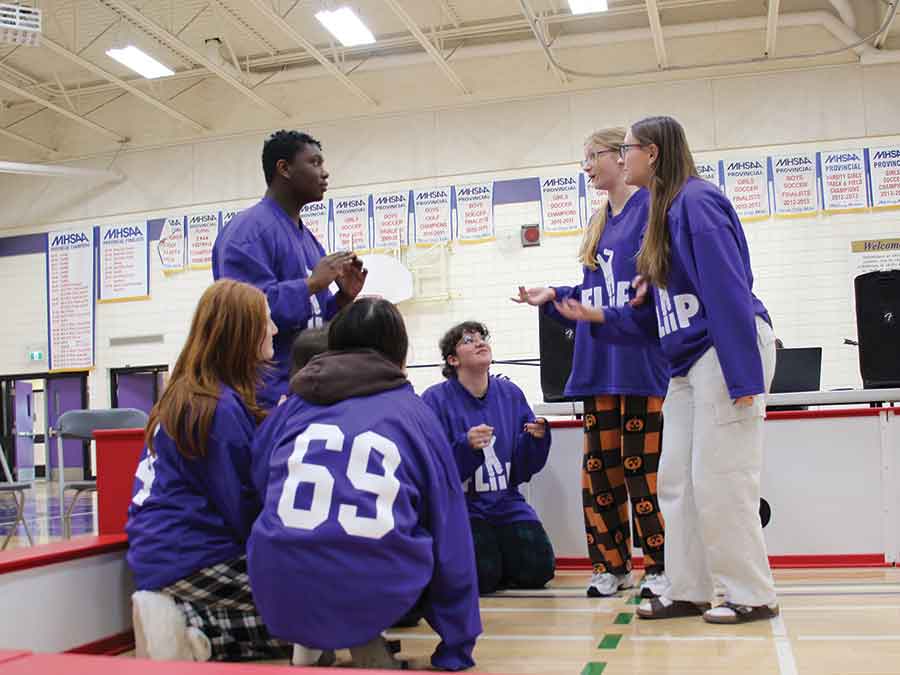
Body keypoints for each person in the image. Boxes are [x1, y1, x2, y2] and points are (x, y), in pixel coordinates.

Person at [554, 116, 778, 624]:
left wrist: (743, 377)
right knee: (675, 479)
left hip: (725, 350)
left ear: (651, 153)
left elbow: (728, 290)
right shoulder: (663, 213)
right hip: (686, 362)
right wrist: (594, 314)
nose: (620, 156)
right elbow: (651, 314)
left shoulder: (696, 203)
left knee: (722, 478)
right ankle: (689, 587)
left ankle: (751, 593)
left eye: (627, 149)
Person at [247, 298, 482, 671]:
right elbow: (451, 530)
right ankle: (363, 635)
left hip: (277, 585)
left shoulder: (290, 406)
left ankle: (313, 642)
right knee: (418, 531)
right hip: (375, 587)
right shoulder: (415, 414)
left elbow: (259, 479)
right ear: (399, 352)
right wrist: (458, 644)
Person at [513, 127, 670, 599]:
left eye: (592, 156)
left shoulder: (651, 210)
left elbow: (645, 294)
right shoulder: (600, 220)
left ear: (622, 158)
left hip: (641, 367)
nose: (585, 166)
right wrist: (555, 295)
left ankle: (661, 566)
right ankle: (611, 565)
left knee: (643, 471)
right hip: (598, 365)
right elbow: (596, 295)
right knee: (600, 472)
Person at [126, 279, 289, 661]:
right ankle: (197, 627)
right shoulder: (218, 407)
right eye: (267, 321)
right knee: (322, 618)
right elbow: (244, 510)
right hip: (190, 557)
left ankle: (201, 631)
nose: (276, 330)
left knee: (313, 612)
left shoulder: (191, 392)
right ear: (242, 331)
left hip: (166, 551)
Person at [213, 129, 367, 409]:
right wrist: (310, 285)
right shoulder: (248, 232)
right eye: (315, 163)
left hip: (307, 389)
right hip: (264, 395)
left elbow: (313, 321)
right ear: (284, 168)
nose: (325, 173)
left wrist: (343, 299)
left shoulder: (307, 238)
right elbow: (245, 315)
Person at [422, 322, 555, 595]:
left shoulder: (511, 394)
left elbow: (521, 470)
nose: (480, 342)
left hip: (506, 502)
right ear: (453, 359)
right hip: (463, 507)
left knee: (539, 569)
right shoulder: (434, 400)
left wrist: (537, 440)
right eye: (468, 340)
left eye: (482, 338)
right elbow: (433, 469)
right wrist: (465, 447)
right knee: (483, 577)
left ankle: (498, 559)